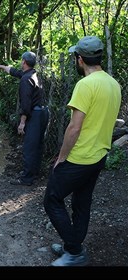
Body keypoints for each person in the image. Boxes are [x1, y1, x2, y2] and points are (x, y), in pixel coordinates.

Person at [43, 36, 121, 266]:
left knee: (52, 199)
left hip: (80, 157)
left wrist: (62, 158)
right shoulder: (113, 83)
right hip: (99, 156)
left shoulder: (85, 85)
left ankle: (75, 252)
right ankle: (71, 246)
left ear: (79, 59)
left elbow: (74, 127)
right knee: (81, 202)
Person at [0, 51, 49, 186]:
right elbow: (14, 72)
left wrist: (22, 123)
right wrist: (1, 67)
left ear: (24, 61)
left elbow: (26, 104)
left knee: (29, 147)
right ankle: (34, 173)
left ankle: (27, 179)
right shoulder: (33, 74)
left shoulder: (25, 80)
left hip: (34, 115)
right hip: (43, 112)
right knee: (38, 145)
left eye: (21, 61)